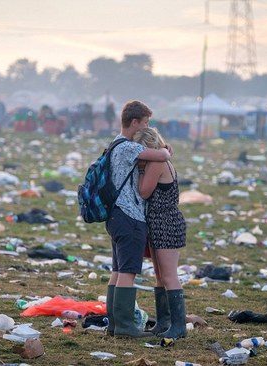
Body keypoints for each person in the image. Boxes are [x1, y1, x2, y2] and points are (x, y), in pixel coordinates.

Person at [106, 101, 172, 338]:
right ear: (134, 122)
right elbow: (163, 153)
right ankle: (125, 327)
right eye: (145, 122)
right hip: (130, 215)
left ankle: (114, 324)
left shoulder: (114, 144)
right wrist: (165, 150)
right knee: (128, 272)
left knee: (118, 270)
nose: (147, 127)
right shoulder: (129, 147)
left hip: (115, 216)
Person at [133, 127, 187, 340]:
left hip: (166, 223)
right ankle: (164, 322)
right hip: (159, 223)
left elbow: (144, 192)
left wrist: (139, 171)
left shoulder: (157, 163)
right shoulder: (162, 160)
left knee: (169, 276)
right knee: (159, 276)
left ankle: (179, 326)